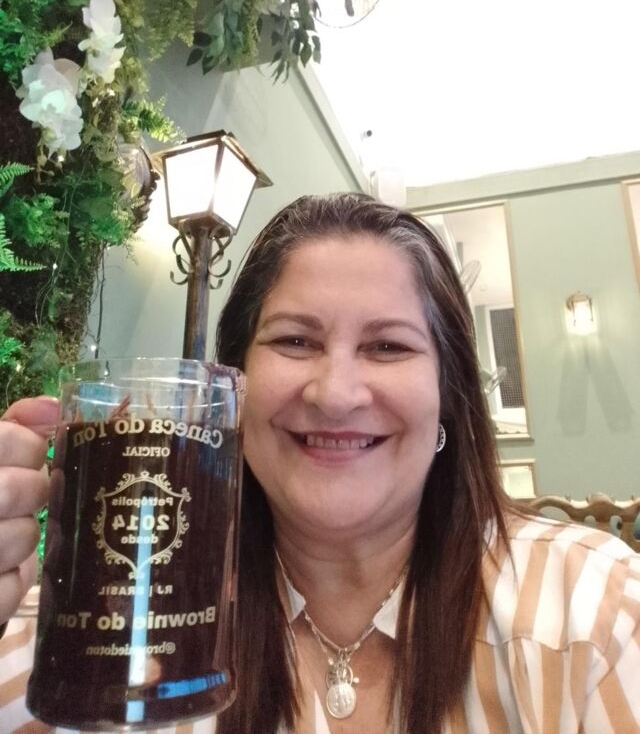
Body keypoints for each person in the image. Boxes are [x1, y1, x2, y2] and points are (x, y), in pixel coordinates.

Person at [1, 192, 639, 733]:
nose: (335, 395)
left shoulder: (598, 615)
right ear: (235, 388)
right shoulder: (94, 628)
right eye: (295, 340)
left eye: (387, 346)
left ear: (448, 394)